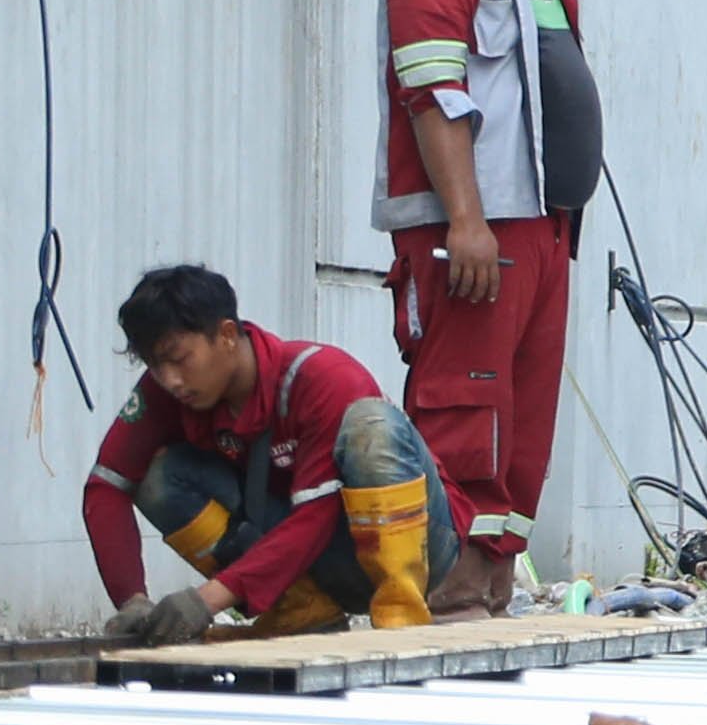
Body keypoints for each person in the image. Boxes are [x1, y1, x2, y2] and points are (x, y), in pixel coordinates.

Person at [381, 0, 605, 616]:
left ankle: (495, 568)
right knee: (463, 406)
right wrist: (464, 220)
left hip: (541, 229)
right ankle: (449, 579)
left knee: (521, 418)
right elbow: (432, 88)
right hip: (477, 231)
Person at [83, 264, 461, 640]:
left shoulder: (323, 377)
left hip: (423, 544)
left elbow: (316, 516)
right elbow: (105, 486)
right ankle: (303, 612)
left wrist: (208, 600)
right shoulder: (168, 393)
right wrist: (131, 599)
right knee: (156, 477)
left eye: (179, 359)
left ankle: (402, 619)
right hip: (312, 559)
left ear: (227, 335)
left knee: (370, 425)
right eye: (154, 365)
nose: (170, 380)